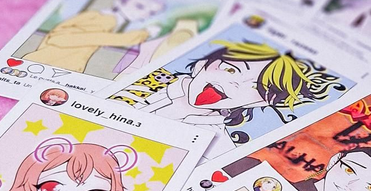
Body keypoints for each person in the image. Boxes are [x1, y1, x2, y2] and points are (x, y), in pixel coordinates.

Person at [135, 40, 344, 152]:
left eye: (255, 87)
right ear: (203, 63)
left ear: (260, 102)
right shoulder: (146, 80)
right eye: (232, 70)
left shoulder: (217, 145)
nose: (235, 84)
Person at [23, 0, 166, 73]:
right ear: (119, 2)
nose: (144, 13)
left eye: (151, 12)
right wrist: (143, 33)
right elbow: (60, 38)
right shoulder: (104, 19)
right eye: (139, 6)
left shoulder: (110, 21)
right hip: (44, 63)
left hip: (57, 69)